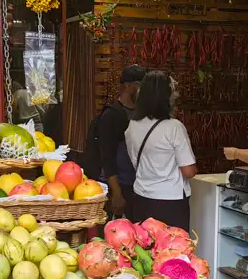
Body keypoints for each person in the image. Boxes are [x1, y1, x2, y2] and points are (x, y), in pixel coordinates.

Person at [125, 71, 197, 230]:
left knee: (146, 247)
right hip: (170, 202)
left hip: (142, 197)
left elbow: (135, 161)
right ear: (166, 98)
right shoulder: (174, 127)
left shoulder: (133, 125)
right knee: (172, 248)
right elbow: (189, 171)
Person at [83, 65, 145, 217]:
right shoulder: (112, 116)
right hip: (119, 186)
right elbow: (107, 157)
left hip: (136, 186)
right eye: (140, 86)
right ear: (128, 86)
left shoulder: (142, 114)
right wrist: (116, 194)